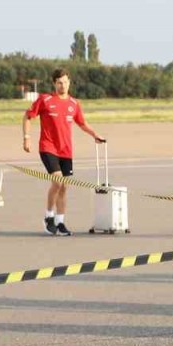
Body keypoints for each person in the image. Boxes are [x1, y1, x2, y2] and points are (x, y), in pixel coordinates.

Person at [22, 68, 106, 236]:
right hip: (48, 147)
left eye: (66, 82)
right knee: (58, 181)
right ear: (54, 83)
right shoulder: (45, 100)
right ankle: (48, 216)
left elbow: (82, 123)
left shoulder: (74, 104)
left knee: (65, 186)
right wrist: (26, 137)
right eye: (60, 82)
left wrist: (94, 134)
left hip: (66, 150)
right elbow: (27, 116)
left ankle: (60, 222)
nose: (63, 85)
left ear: (69, 83)